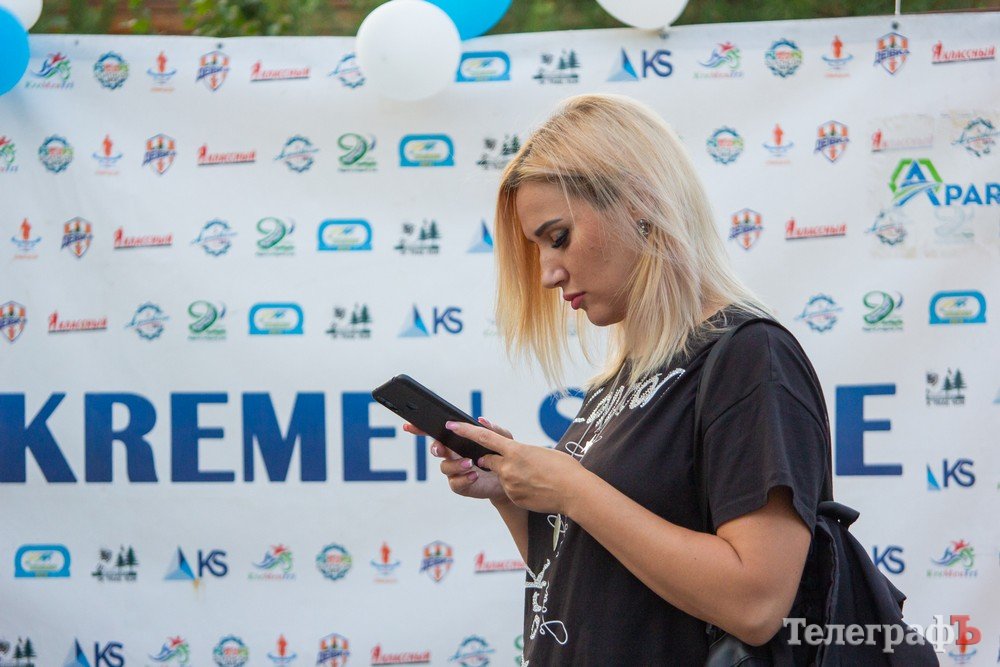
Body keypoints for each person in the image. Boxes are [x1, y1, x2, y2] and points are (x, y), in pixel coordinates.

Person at [403, 94, 829, 665]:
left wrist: (573, 489)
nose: (548, 274)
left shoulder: (749, 356)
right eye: (537, 248)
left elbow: (755, 602)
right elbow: (588, 577)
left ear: (641, 203)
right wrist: (509, 492)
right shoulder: (626, 372)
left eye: (558, 237)